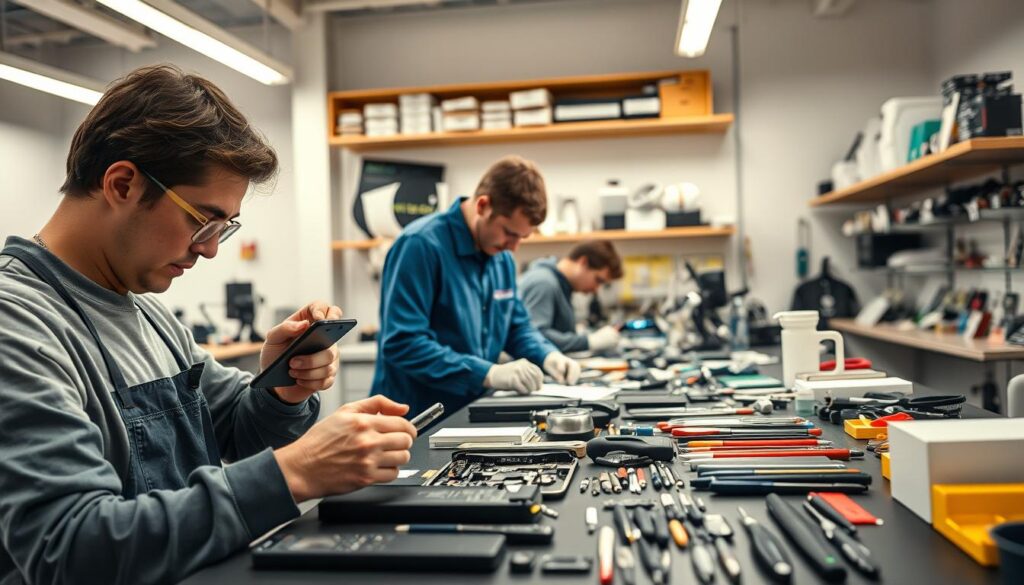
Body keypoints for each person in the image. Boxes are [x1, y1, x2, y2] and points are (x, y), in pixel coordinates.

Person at [0, 65, 417, 585]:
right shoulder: (17, 326)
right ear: (122, 184)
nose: (212, 249)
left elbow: (238, 432)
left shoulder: (147, 314)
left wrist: (282, 387)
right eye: (202, 220)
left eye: (224, 227)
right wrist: (296, 471)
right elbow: (71, 548)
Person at [370, 155, 582, 418]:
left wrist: (548, 355)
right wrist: (487, 373)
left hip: (469, 411)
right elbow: (403, 342)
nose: (513, 247)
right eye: (510, 233)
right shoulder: (420, 245)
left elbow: (516, 326)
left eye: (522, 237)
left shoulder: (501, 258)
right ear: (483, 205)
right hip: (414, 418)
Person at [520, 239, 624, 353]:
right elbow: (537, 336)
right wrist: (588, 341)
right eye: (598, 280)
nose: (596, 290)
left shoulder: (560, 285)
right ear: (583, 262)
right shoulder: (543, 283)